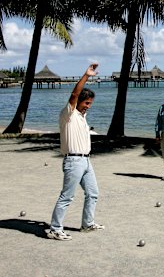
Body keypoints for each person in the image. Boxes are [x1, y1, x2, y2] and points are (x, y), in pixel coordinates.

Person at [48, 64, 104, 241]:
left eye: (90, 103)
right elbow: (74, 94)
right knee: (67, 196)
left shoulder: (82, 117)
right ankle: (55, 229)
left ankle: (87, 224)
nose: (89, 106)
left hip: (86, 161)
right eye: (86, 103)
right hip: (73, 161)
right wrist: (86, 75)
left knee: (93, 192)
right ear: (78, 101)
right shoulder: (68, 114)